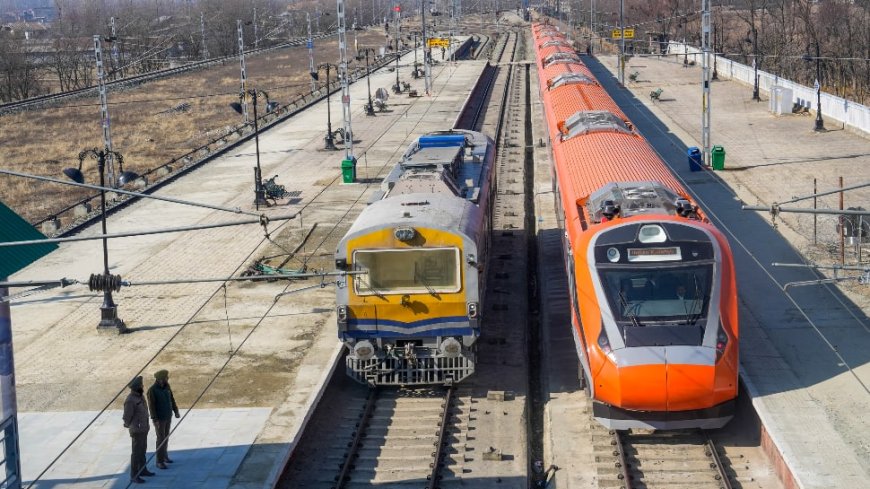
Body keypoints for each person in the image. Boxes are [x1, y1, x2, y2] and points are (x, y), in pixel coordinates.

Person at [147, 369, 181, 469]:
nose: (167, 379)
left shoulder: (167, 386)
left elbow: (172, 399)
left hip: (167, 416)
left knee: (166, 437)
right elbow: (151, 406)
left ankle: (165, 456)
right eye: (166, 377)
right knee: (160, 439)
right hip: (159, 419)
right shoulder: (152, 390)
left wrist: (176, 410)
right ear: (160, 379)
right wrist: (155, 419)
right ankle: (159, 461)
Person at [123, 376, 153, 483]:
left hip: (144, 429)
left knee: (142, 451)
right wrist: (128, 425)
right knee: (136, 453)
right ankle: (134, 475)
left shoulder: (140, 397)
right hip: (137, 430)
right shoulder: (130, 400)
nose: (142, 386)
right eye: (141, 385)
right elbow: (127, 416)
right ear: (136, 387)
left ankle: (143, 470)